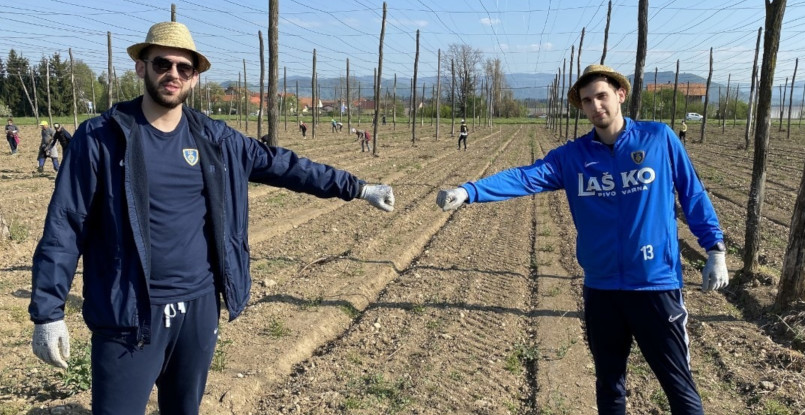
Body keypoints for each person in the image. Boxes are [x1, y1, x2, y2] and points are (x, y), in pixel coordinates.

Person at [29, 21, 395, 415]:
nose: (172, 74)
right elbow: (66, 223)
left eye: (183, 68)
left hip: (199, 310)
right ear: (141, 67)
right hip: (130, 315)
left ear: (195, 78)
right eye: (162, 64)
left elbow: (285, 166)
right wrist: (48, 312)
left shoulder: (215, 140)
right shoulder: (100, 137)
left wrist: (355, 187)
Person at [436, 64, 728, 415]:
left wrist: (715, 248)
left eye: (602, 96)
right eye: (588, 101)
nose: (596, 106)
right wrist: (471, 191)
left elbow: (692, 195)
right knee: (609, 385)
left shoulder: (659, 138)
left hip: (655, 285)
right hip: (601, 289)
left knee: (679, 389)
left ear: (620, 95)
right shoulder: (573, 157)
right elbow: (526, 177)